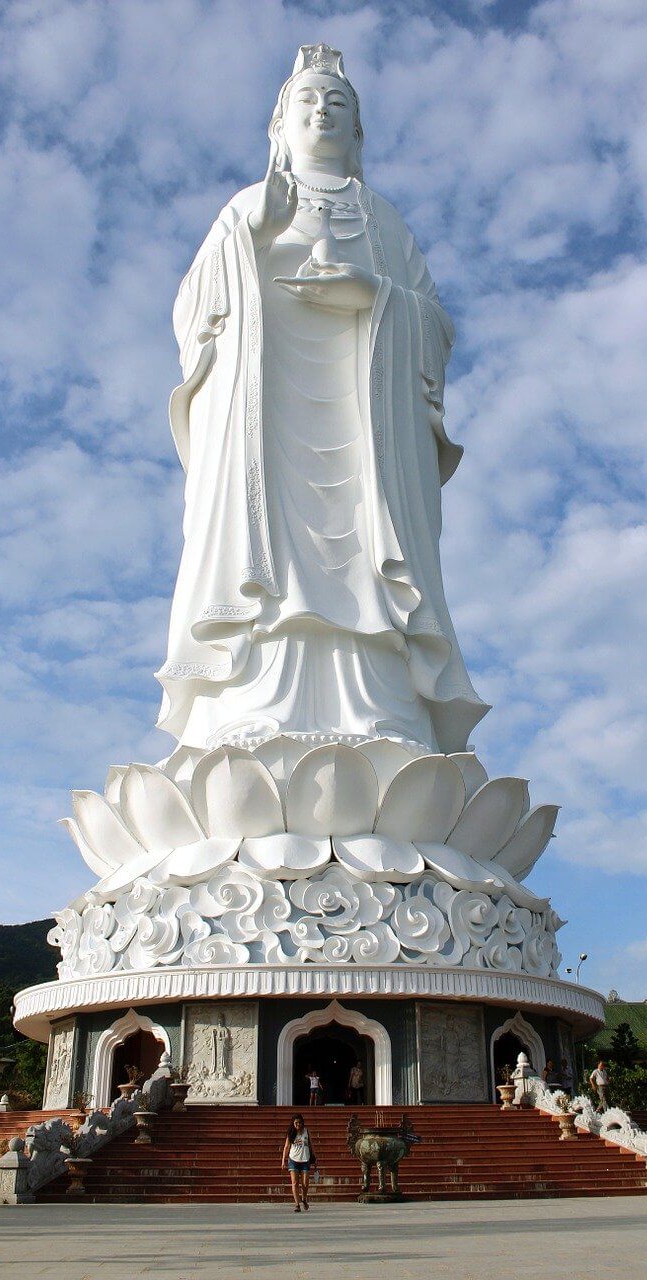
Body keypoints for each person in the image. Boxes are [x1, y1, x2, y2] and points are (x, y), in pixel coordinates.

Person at [157, 42, 488, 756]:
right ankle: (245, 708)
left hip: (363, 418)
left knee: (367, 555)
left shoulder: (382, 220)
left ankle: (382, 713)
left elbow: (432, 320)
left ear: (358, 130)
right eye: (306, 100)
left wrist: (373, 297)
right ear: (278, 123)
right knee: (264, 555)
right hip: (266, 417)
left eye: (337, 103)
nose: (321, 110)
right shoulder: (245, 209)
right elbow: (193, 313)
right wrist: (250, 234)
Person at [282, 1113, 317, 1212]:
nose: (298, 1125)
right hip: (293, 1160)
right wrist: (283, 1160)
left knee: (305, 1183)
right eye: (296, 1123)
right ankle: (297, 1204)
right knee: (295, 1182)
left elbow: (311, 1145)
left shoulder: (306, 1131)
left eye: (300, 1123)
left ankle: (304, 1198)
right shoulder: (291, 1133)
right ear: (293, 1123)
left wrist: (314, 1157)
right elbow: (286, 1147)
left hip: (305, 1159)